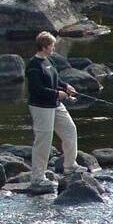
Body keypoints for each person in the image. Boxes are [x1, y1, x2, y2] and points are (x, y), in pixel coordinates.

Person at [25, 31, 85, 194]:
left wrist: (66, 86)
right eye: (52, 45)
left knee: (70, 130)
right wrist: (57, 93)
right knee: (43, 141)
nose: (54, 48)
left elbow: (55, 79)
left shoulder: (48, 61)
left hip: (55, 105)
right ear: (44, 47)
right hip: (41, 107)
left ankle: (70, 166)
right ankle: (37, 178)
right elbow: (37, 90)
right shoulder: (33, 66)